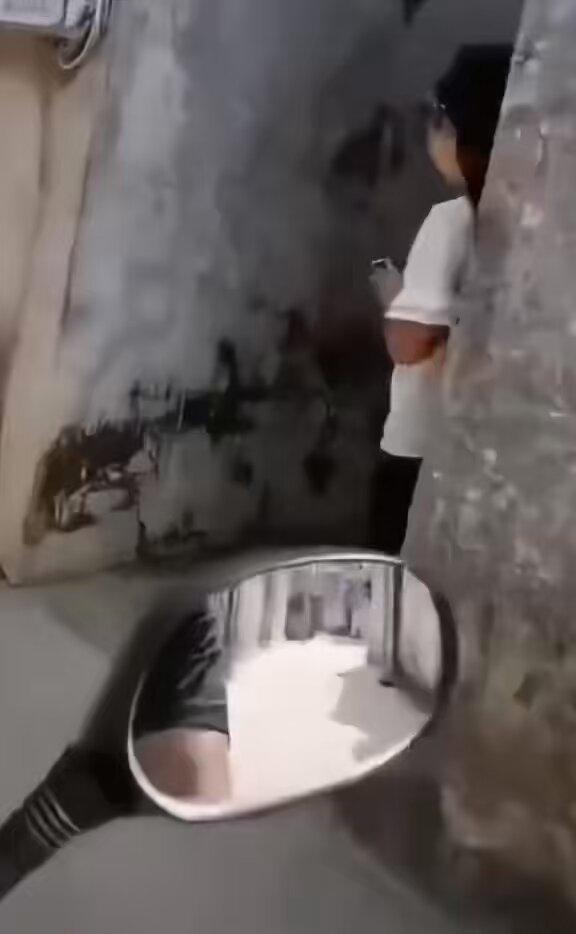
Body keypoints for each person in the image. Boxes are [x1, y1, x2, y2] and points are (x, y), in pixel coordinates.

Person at [369, 44, 513, 555]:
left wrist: (393, 296)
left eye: (438, 120)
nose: (432, 134)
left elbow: (410, 345)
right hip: (485, 451)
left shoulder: (450, 223)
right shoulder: (526, 224)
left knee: (398, 564)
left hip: (421, 446)